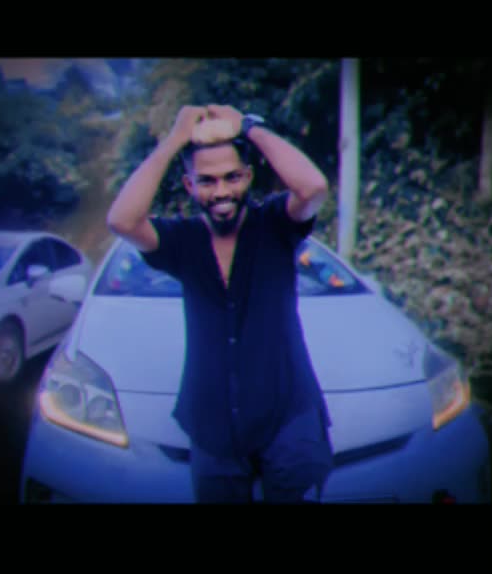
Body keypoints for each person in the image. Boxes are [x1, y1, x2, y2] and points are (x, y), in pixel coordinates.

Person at [107, 103, 333, 503]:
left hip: (288, 418)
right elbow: (122, 221)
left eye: (232, 177)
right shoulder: (181, 240)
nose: (222, 192)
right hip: (212, 427)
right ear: (189, 186)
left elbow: (313, 187)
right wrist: (175, 139)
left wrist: (248, 127)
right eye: (207, 181)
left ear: (248, 176)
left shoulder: (275, 225)